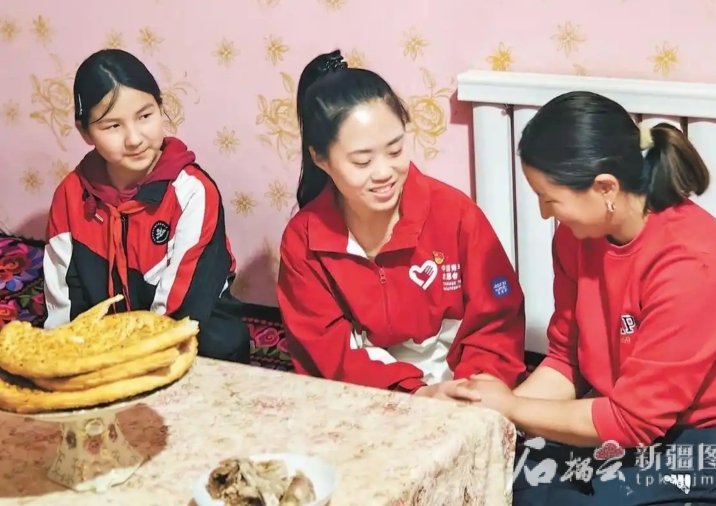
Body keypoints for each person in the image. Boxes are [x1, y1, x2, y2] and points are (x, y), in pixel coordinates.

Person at [460, 91, 716, 505]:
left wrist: (511, 407)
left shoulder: (693, 265)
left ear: (605, 188)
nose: (544, 213)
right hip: (629, 422)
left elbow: (633, 421)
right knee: (499, 479)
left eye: (550, 198)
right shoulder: (576, 240)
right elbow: (567, 359)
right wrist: (484, 415)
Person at [276, 49, 527, 399]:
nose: (384, 173)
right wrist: (414, 394)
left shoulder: (455, 214)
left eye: (395, 151)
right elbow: (326, 349)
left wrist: (474, 385)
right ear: (320, 158)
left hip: (461, 380)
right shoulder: (304, 241)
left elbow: (498, 316)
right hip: (369, 389)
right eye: (362, 161)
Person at [43, 48, 251, 364]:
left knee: (222, 340)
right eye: (113, 126)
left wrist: (135, 361)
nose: (134, 138)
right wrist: (65, 358)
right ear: (85, 132)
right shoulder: (71, 195)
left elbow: (182, 306)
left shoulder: (192, 191)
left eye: (145, 116)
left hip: (187, 330)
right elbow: (63, 298)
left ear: (160, 109)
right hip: (106, 341)